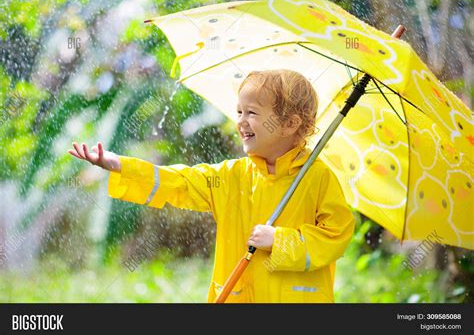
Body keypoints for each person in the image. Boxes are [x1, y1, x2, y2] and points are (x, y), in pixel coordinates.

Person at [68, 69, 355, 303]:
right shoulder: (232, 176)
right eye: (239, 111)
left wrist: (280, 241)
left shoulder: (317, 178)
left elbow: (336, 236)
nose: (241, 121)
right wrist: (122, 165)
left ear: (289, 123)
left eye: (252, 113)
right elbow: (181, 181)